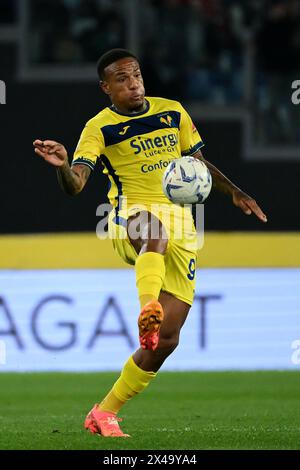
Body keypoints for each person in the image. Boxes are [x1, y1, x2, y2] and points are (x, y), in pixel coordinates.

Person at [33, 48, 267, 438]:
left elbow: (198, 163)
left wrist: (235, 192)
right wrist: (62, 167)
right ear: (106, 87)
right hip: (130, 216)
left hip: (183, 225)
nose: (133, 84)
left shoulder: (172, 112)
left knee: (167, 340)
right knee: (152, 232)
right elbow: (76, 185)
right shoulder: (99, 128)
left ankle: (104, 412)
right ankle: (148, 310)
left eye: (137, 75)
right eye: (122, 79)